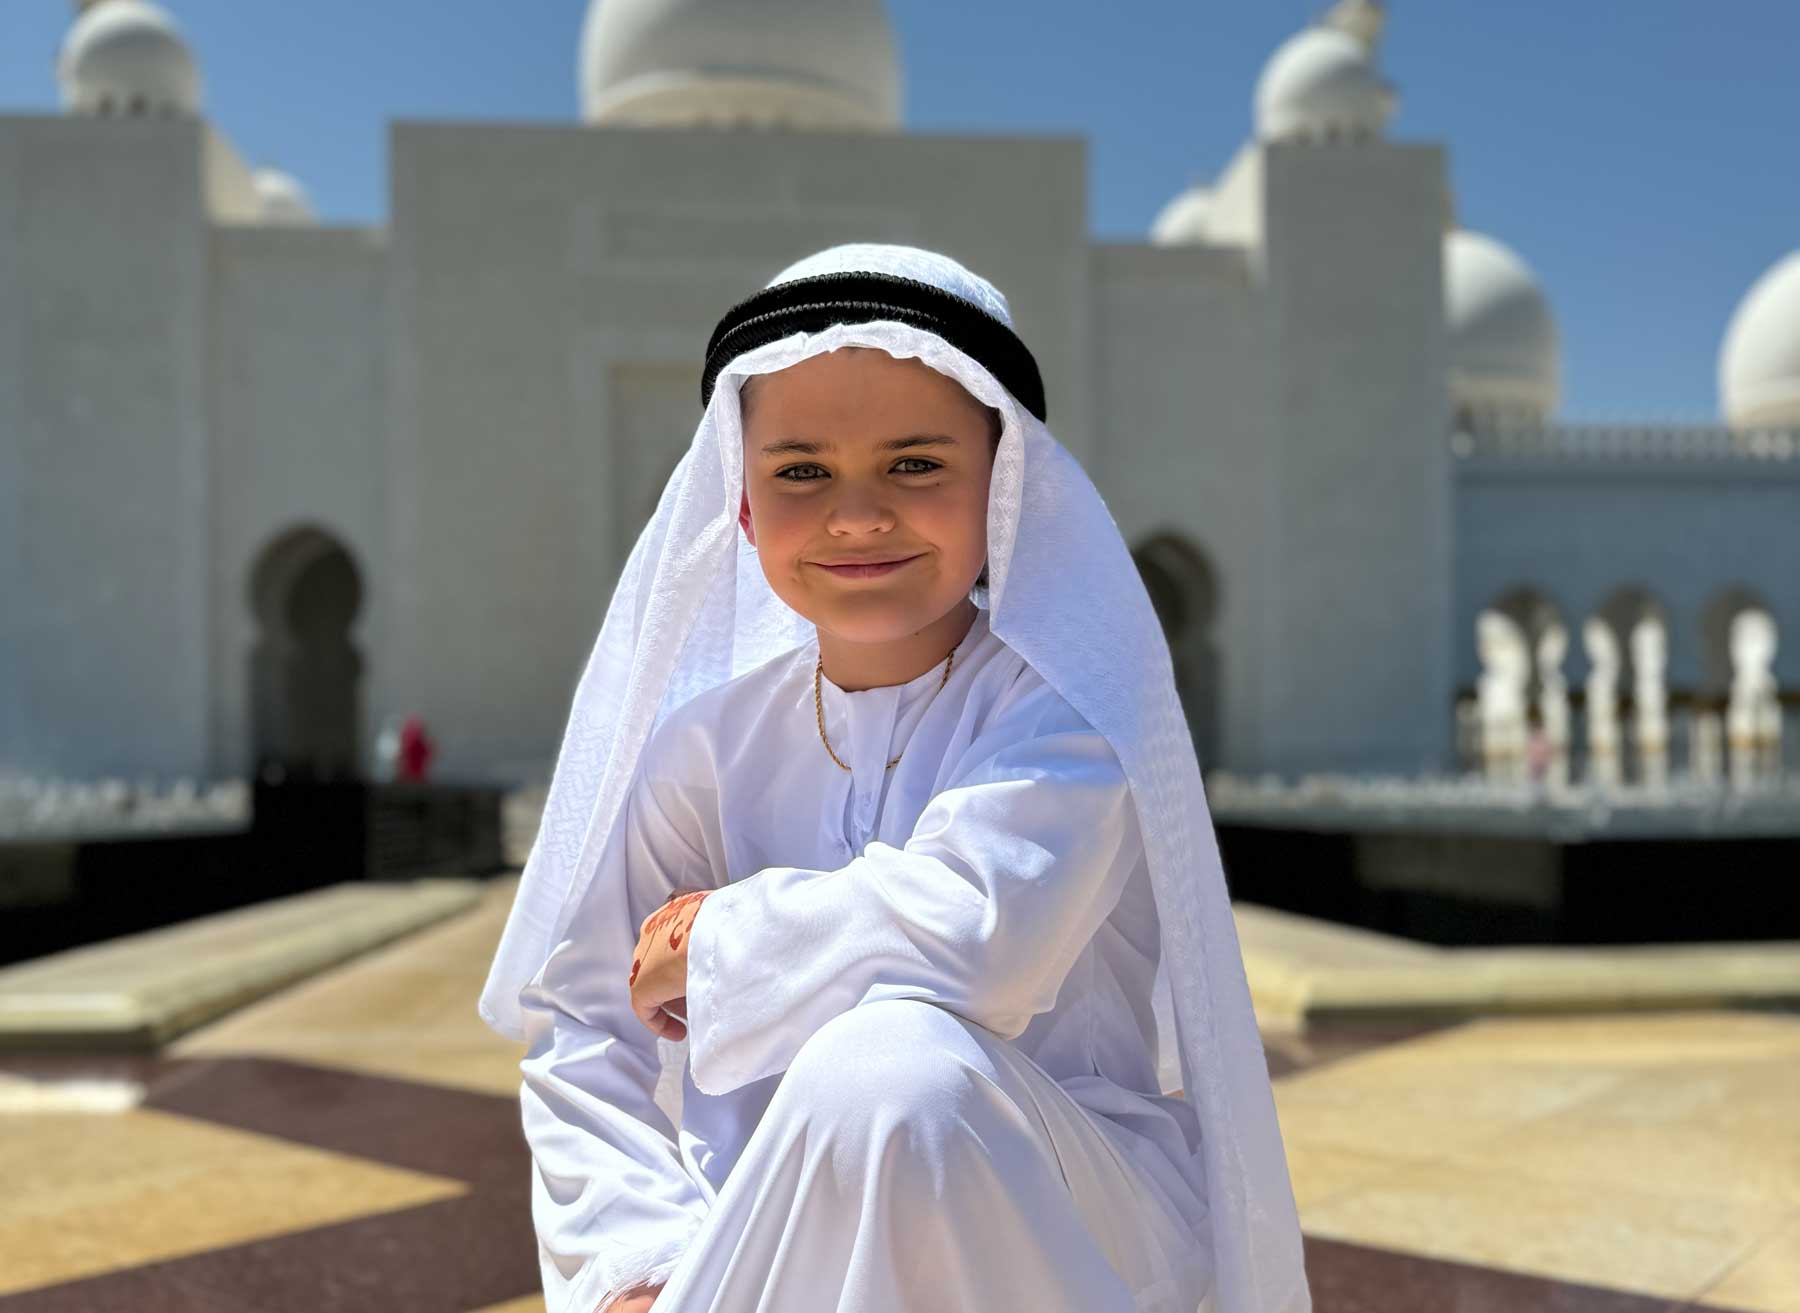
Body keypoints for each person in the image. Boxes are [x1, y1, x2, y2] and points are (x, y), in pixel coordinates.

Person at [478, 244, 1310, 1313]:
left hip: (1070, 1223)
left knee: (896, 1069)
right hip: (763, 1232)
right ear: (739, 503)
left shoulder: (1066, 709)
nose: (857, 514)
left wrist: (718, 941)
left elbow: (980, 939)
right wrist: (631, 1265)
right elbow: (587, 1024)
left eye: (916, 463)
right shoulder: (708, 745)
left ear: (1002, 488)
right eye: (801, 471)